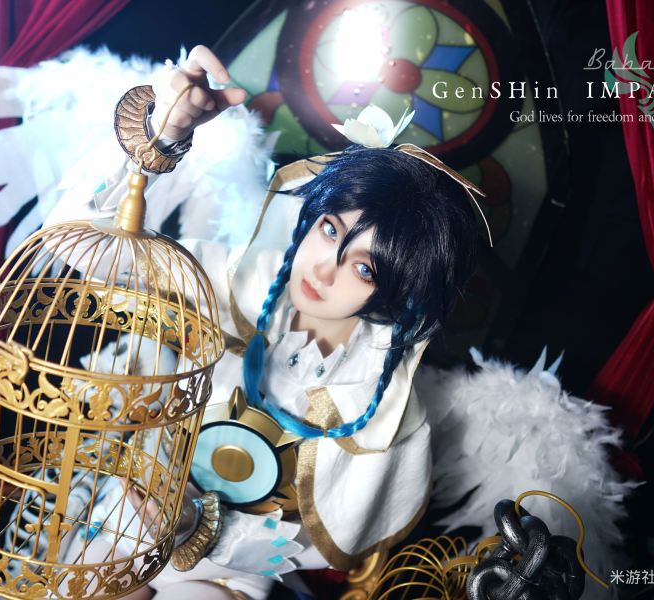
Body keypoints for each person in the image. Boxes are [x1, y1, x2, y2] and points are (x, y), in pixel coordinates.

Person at [44, 45, 479, 599]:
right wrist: (161, 134)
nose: (324, 269)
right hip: (126, 516)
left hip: (230, 570)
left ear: (398, 292)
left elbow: (326, 546)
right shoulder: (236, 282)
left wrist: (195, 528)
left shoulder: (385, 410)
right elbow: (74, 244)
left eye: (363, 267)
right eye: (329, 229)